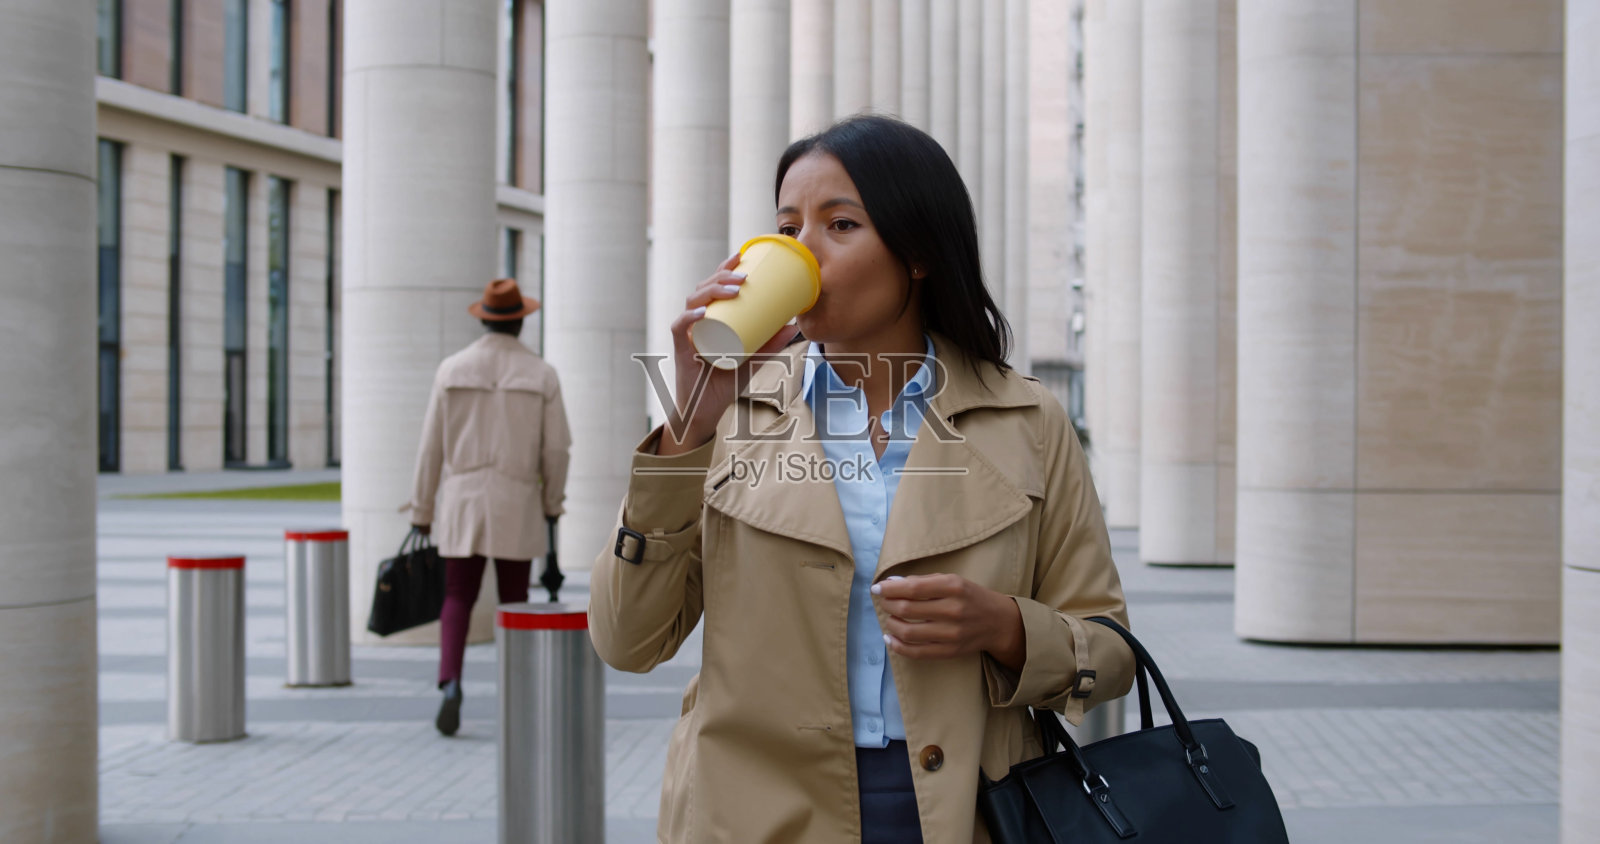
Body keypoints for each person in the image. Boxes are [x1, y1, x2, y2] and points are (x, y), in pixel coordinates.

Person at [588, 115, 1136, 843]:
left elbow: (1110, 651)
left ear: (916, 252)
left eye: (839, 224)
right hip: (752, 816)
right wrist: (689, 426)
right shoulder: (729, 412)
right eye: (787, 230)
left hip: (974, 812)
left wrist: (1004, 627)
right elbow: (628, 640)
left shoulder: (1028, 419)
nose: (802, 253)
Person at [406, 278, 571, 737]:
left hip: (461, 501)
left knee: (457, 596)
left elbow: (429, 448)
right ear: (521, 321)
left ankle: (451, 683)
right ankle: (517, 696)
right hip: (516, 499)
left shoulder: (451, 369)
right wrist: (551, 502)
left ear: (484, 319)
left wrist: (422, 509)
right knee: (515, 601)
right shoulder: (542, 374)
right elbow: (557, 450)